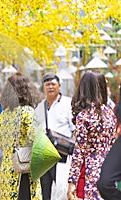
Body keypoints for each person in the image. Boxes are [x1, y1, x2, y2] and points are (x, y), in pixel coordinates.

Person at [67, 71, 116, 200]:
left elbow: (79, 151)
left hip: (91, 171)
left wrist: (72, 182)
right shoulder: (110, 113)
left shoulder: (84, 116)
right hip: (108, 171)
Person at [0, 72, 42, 199]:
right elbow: (36, 139)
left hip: (7, 170)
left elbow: (0, 142)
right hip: (23, 171)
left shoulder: (3, 115)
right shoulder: (27, 112)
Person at [35, 72, 75, 200]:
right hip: (44, 157)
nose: (50, 87)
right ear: (43, 87)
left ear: (59, 86)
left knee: (62, 191)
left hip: (62, 156)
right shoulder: (40, 107)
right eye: (47, 84)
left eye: (53, 84)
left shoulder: (68, 104)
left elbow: (74, 129)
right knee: (44, 192)